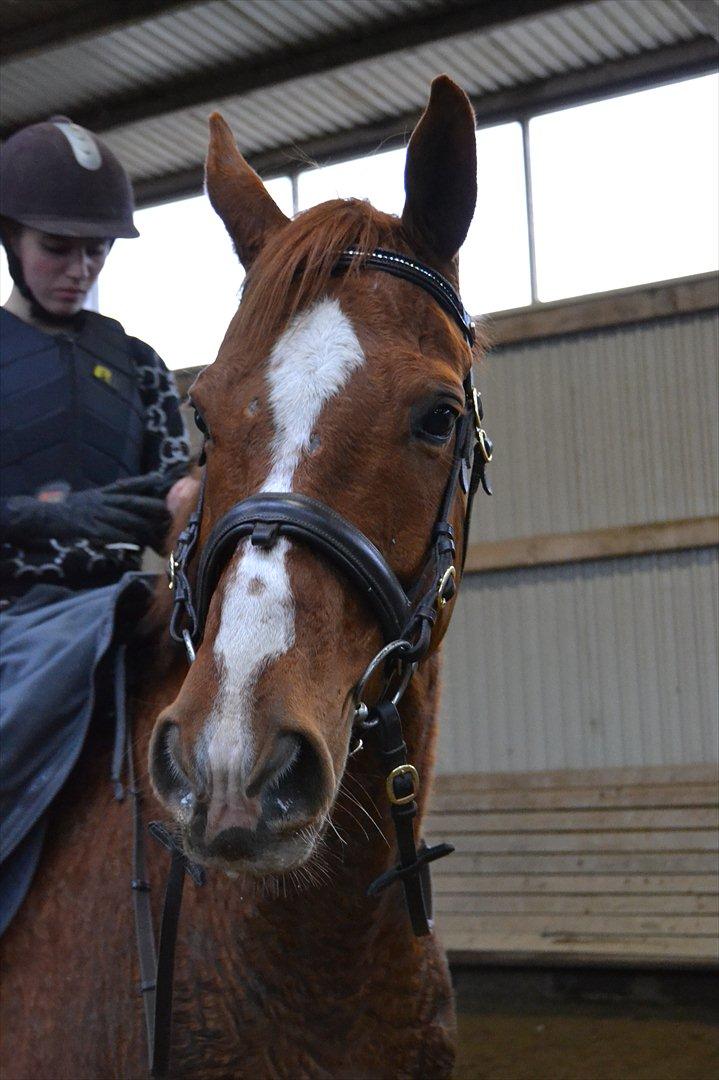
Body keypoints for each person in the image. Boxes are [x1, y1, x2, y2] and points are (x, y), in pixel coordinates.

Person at [0, 117, 191, 934]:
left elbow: (180, 487)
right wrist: (37, 519)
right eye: (57, 248)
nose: (80, 269)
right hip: (13, 618)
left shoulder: (139, 364)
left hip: (123, 610)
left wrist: (194, 502)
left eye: (97, 251)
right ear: (9, 238)